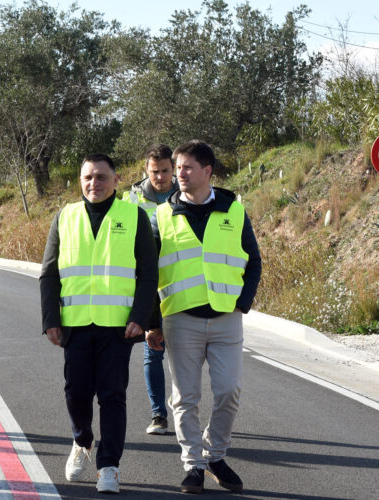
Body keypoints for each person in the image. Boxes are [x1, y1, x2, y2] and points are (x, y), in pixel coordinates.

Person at [146, 141, 260, 494]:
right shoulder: (161, 216)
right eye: (177, 167)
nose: (179, 173)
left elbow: (253, 261)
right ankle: (193, 463)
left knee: (229, 391)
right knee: (185, 397)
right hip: (180, 320)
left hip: (227, 318)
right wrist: (153, 321)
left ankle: (215, 454)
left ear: (208, 171)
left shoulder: (234, 211)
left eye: (187, 167)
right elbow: (148, 273)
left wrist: (243, 301)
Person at [39, 153, 157, 494]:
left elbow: (148, 274)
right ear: (80, 180)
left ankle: (109, 466)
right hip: (75, 325)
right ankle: (82, 441)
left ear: (116, 180)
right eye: (88, 177)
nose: (94, 183)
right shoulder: (65, 216)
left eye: (102, 177)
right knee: (76, 393)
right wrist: (51, 318)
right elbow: (49, 273)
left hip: (118, 327)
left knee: (112, 396)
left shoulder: (133, 216)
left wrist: (140, 317)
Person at [122, 144, 178, 436]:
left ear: (174, 168)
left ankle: (181, 405)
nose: (160, 177)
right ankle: (159, 414)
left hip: (181, 283)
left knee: (183, 355)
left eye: (166, 171)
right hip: (147, 286)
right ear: (147, 169)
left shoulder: (187, 194)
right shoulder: (130, 201)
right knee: (152, 351)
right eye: (154, 171)